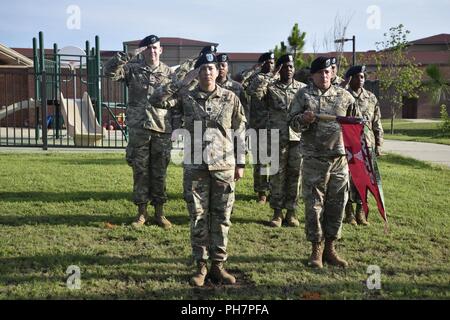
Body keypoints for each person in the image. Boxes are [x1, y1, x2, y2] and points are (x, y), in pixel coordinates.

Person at [149, 52, 247, 287]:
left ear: (218, 71)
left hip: (224, 166)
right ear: (197, 72)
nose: (207, 73)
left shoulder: (230, 98)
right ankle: (201, 266)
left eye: (211, 68)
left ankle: (218, 266)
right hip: (196, 168)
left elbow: (240, 130)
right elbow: (156, 100)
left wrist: (241, 162)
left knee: (222, 218)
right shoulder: (185, 96)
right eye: (202, 69)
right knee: (198, 217)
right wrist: (180, 81)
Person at [289, 56, 355, 268]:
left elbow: (356, 126)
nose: (325, 76)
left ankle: (330, 249)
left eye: (328, 72)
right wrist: (303, 119)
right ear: (313, 75)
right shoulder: (303, 95)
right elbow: (292, 123)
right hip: (314, 160)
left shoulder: (345, 97)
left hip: (339, 160)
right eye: (320, 73)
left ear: (332, 73)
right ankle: (316, 250)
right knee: (314, 206)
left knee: (337, 205)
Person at [103, 35, 174, 229]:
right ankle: (141, 214)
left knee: (159, 172)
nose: (152, 51)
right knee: (140, 171)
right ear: (144, 50)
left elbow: (177, 98)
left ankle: (160, 213)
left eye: (155, 48)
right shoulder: (133, 69)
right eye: (149, 48)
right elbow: (108, 72)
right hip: (139, 128)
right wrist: (127, 56)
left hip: (161, 129)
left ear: (161, 50)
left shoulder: (169, 73)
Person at [247, 54, 306, 227]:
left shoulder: (302, 89)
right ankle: (277, 213)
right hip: (276, 137)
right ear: (279, 68)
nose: (289, 69)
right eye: (285, 66)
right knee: (277, 176)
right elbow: (254, 92)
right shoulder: (270, 87)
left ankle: (292, 213)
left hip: (297, 138)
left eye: (291, 66)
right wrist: (271, 76)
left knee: (296, 176)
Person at [343, 65, 384, 226]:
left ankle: (361, 211)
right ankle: (348, 212)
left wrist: (379, 144)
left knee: (364, 179)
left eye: (362, 77)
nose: (361, 80)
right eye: (357, 77)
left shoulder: (371, 98)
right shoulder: (344, 96)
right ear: (350, 78)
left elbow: (377, 122)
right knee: (347, 179)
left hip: (367, 146)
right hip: (349, 145)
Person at [244, 52, 276, 204]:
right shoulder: (256, 78)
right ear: (261, 64)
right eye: (267, 62)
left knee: (275, 159)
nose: (271, 64)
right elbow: (252, 91)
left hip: (275, 125)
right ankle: (262, 191)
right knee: (261, 160)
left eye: (273, 62)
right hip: (259, 125)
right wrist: (255, 69)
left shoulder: (278, 78)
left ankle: (274, 190)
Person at [216, 53, 249, 121]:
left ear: (228, 68)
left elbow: (245, 107)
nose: (221, 68)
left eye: (223, 65)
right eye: (218, 66)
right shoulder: (210, 86)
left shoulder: (237, 87)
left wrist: (245, 124)